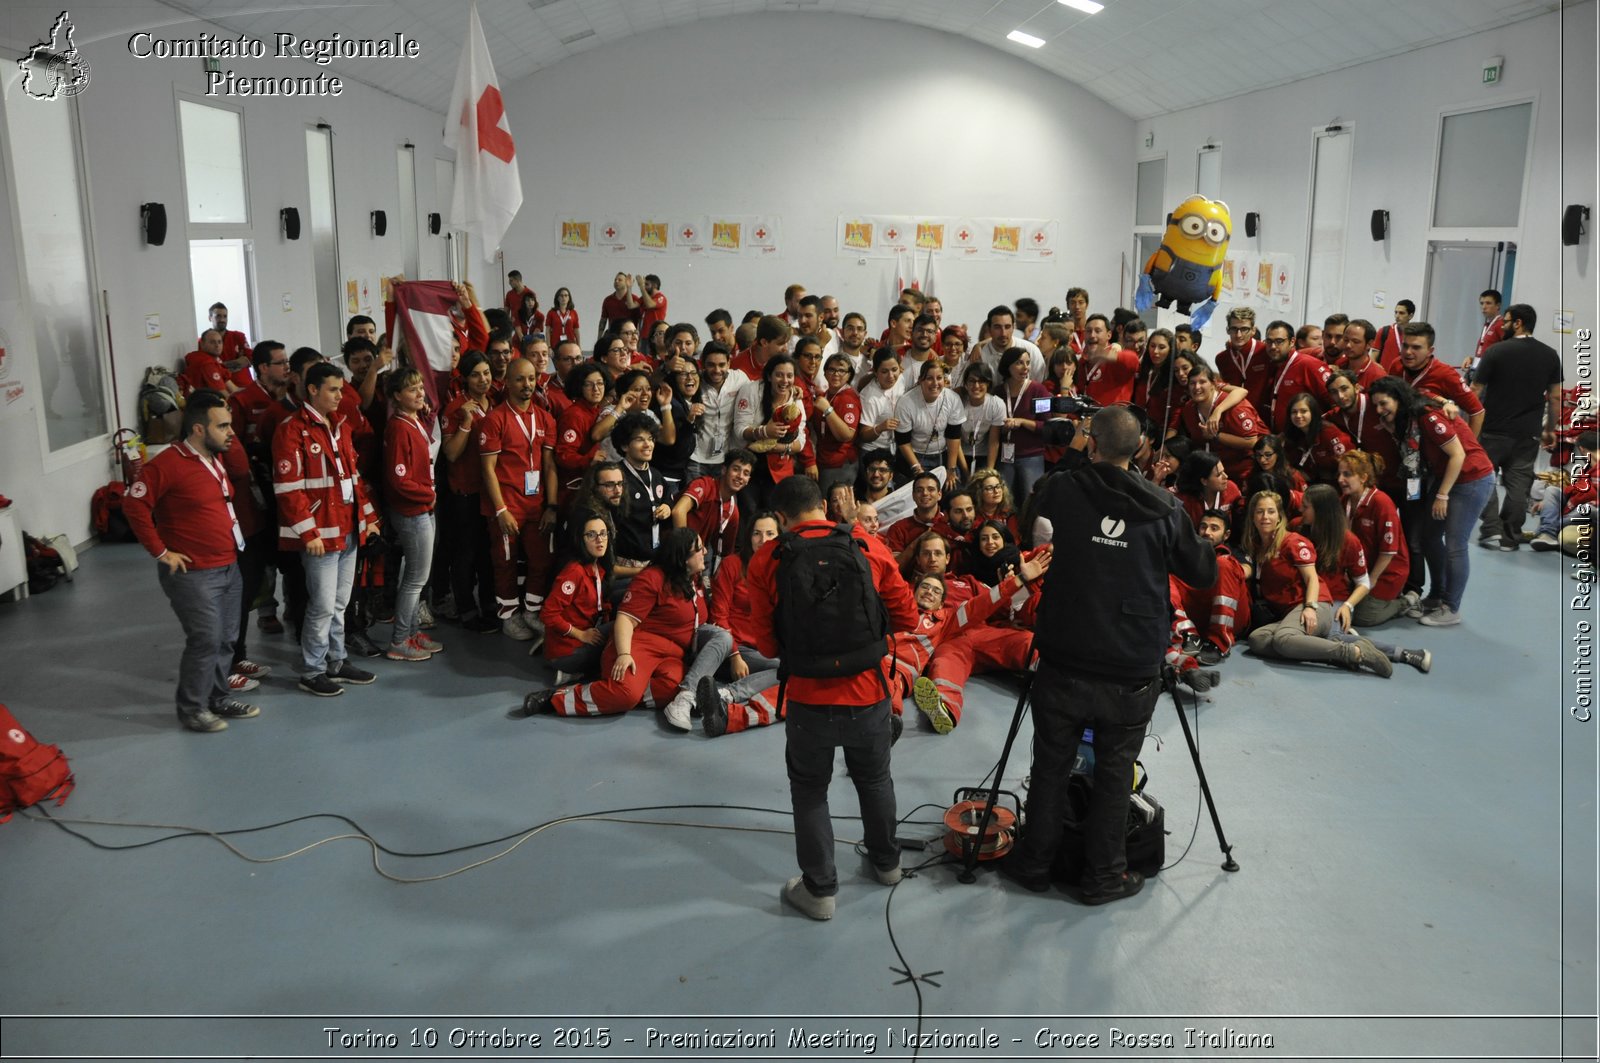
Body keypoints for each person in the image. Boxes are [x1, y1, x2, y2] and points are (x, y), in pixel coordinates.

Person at [1001, 405, 1216, 905]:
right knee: (1116, 771)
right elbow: (1202, 572)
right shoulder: (1164, 507)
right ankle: (1104, 878)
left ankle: (1034, 865)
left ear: (1090, 443)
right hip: (1130, 665)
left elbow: (1028, 520)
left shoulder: (1061, 489)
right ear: (1139, 449)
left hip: (1065, 655)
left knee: (1052, 764)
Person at [742, 475, 919, 920]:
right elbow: (908, 616)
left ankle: (820, 891)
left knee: (809, 790)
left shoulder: (767, 559)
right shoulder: (867, 546)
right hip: (868, 690)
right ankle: (888, 864)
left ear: (781, 518)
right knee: (875, 778)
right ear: (824, 505)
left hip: (807, 695)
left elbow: (765, 646)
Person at [123, 390, 260, 732]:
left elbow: (241, 469)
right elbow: (133, 504)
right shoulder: (168, 464)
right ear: (199, 429)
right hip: (194, 574)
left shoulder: (215, 458)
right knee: (206, 640)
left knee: (227, 638)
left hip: (228, 564)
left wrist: (228, 440)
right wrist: (160, 551)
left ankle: (218, 697)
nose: (231, 432)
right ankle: (192, 708)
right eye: (223, 426)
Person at [520, 527, 730, 730]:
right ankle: (554, 699)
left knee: (678, 689)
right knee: (624, 694)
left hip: (671, 655)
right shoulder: (653, 578)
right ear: (683, 558)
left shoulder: (692, 580)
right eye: (699, 549)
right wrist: (624, 654)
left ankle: (622, 693)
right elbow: (625, 620)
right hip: (639, 645)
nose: (705, 552)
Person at [272, 362, 380, 697]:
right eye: (333, 390)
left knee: (339, 602)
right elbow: (289, 490)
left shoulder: (341, 427)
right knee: (320, 605)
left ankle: (337, 660)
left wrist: (369, 517)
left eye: (341, 389)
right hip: (320, 535)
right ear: (313, 389)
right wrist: (309, 533)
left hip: (348, 529)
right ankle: (313, 669)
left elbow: (353, 479)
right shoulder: (291, 430)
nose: (340, 396)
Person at [1369, 375, 1496, 627]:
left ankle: (1451, 607)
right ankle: (1437, 596)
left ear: (1398, 398)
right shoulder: (1408, 420)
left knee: (1455, 543)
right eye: (1376, 407)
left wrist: (1442, 495)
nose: (1380, 411)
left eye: (1384, 404)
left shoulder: (1427, 416)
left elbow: (1458, 455)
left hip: (1471, 478)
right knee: (1428, 537)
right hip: (1447, 477)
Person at [1240, 490, 1391, 677]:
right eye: (1260, 512)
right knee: (1257, 639)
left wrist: (1310, 607)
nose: (1265, 517)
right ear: (1252, 516)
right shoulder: (1256, 546)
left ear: (1280, 516)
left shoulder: (1293, 542)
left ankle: (1355, 652)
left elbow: (1312, 578)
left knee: (1283, 640)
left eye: (1271, 511)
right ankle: (1331, 655)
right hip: (1287, 613)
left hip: (1314, 605)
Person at [1299, 484, 1431, 673]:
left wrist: (1347, 606)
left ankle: (1403, 653)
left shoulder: (1348, 541)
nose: (1300, 510)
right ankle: (1351, 645)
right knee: (1313, 637)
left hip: (1334, 601)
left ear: (1321, 511)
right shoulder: (1297, 529)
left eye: (1305, 507)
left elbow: (1363, 583)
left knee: (1332, 638)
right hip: (1306, 599)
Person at [479, 357, 559, 644]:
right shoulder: (495, 419)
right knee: (505, 563)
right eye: (520, 379)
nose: (527, 385)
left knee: (541, 560)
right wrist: (500, 510)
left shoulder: (545, 418)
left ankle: (532, 612)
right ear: (508, 382)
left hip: (536, 505)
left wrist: (551, 505)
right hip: (506, 505)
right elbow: (487, 469)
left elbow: (549, 466)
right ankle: (508, 615)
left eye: (531, 378)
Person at [1472, 303, 1564, 551]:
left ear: (1518, 323)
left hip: (1492, 430)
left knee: (1483, 478)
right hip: (1528, 433)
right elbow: (1555, 397)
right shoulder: (1550, 355)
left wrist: (1470, 427)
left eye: (1506, 321)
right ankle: (1510, 538)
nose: (1502, 325)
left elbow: (1476, 390)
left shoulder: (1496, 352)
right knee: (1518, 485)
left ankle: (1491, 528)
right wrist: (1550, 429)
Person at [382, 368, 444, 662]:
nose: (420, 393)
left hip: (422, 509)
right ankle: (399, 641)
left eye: (420, 387)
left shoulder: (414, 421)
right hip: (413, 511)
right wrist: (428, 494)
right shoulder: (398, 428)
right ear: (396, 396)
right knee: (414, 579)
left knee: (418, 576)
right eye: (412, 389)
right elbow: (399, 479)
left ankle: (412, 631)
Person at [440, 351, 499, 633]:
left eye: (486, 373)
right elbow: (451, 454)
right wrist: (465, 423)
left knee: (488, 553)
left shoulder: (496, 402)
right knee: (466, 554)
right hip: (465, 493)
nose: (483, 379)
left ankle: (489, 604)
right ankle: (466, 609)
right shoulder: (455, 408)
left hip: (492, 491)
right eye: (476, 374)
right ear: (464, 378)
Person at [1337, 449, 1417, 626]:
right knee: (1338, 606)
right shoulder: (1345, 500)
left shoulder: (1382, 503)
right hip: (1360, 568)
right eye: (1340, 474)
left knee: (1363, 617)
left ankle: (1405, 602)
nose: (1340, 479)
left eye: (1347, 475)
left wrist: (1371, 580)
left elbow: (1388, 552)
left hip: (1386, 571)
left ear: (1363, 478)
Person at [540, 512, 617, 685]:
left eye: (603, 533)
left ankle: (580, 673)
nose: (600, 539)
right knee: (622, 629)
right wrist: (581, 634)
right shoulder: (574, 571)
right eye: (592, 535)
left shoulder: (596, 565)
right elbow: (548, 614)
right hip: (568, 651)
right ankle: (575, 672)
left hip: (582, 636)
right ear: (580, 540)